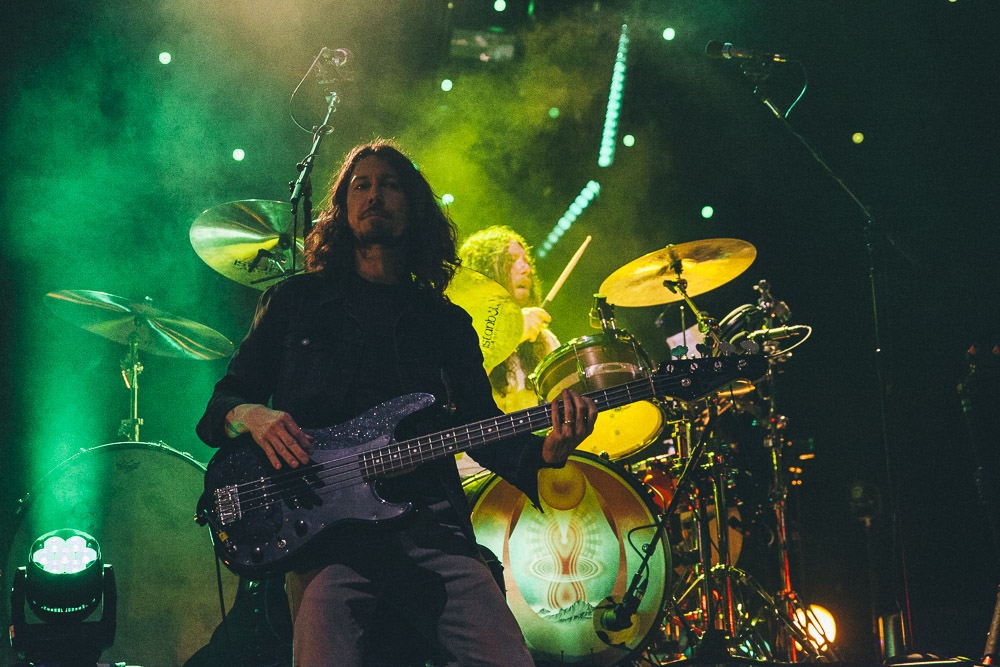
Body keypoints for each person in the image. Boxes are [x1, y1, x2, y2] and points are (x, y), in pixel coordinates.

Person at [195, 140, 598, 667]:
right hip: (326, 537)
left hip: (430, 527)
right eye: (360, 185)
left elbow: (483, 425)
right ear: (341, 209)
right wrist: (252, 414)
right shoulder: (294, 302)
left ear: (414, 207)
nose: (374, 195)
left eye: (390, 185)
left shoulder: (446, 323)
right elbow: (220, 406)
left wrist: (547, 449)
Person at [458, 226, 561, 414]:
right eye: (511, 261)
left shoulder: (544, 340)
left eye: (527, 261)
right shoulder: (463, 332)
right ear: (486, 273)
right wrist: (510, 332)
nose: (527, 269)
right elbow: (460, 392)